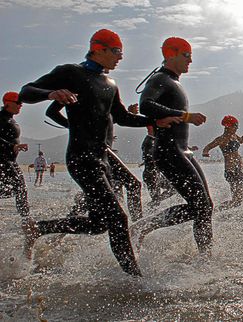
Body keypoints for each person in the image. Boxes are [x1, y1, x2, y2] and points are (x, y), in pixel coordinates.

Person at [19, 29, 179, 276]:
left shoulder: (110, 84)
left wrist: (155, 121)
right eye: (116, 52)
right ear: (98, 49)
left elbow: (122, 116)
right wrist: (50, 93)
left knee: (98, 223)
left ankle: (38, 228)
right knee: (118, 218)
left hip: (103, 156)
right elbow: (26, 92)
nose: (120, 57)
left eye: (121, 53)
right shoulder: (71, 73)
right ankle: (134, 278)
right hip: (82, 158)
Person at [134, 37, 214, 255]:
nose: (190, 60)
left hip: (183, 151)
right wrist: (185, 115)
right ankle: (143, 227)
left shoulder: (174, 82)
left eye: (191, 55)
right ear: (170, 55)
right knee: (201, 206)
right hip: (168, 151)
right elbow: (146, 105)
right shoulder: (160, 78)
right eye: (186, 55)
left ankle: (206, 255)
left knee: (206, 207)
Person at [46, 102, 143, 221]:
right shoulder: (80, 89)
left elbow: (104, 119)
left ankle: (66, 221)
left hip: (104, 151)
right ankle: (138, 226)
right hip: (96, 151)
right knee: (131, 184)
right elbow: (51, 112)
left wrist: (125, 115)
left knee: (100, 193)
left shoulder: (104, 91)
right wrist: (74, 127)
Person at [202, 115, 243, 210]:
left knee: (237, 201)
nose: (237, 128)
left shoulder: (234, 136)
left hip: (238, 171)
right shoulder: (222, 139)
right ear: (228, 126)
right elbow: (208, 146)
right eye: (235, 126)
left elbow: (242, 140)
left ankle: (214, 211)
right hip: (232, 172)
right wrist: (205, 152)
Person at [0, 91, 32, 237]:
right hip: (3, 162)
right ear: (7, 103)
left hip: (9, 161)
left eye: (21, 103)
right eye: (18, 103)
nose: (20, 105)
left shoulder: (10, 119)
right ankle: (27, 220)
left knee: (15, 189)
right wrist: (11, 147)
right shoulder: (1, 118)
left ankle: (26, 219)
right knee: (19, 188)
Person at [141, 125, 176, 207]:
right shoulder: (148, 141)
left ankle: (153, 203)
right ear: (150, 128)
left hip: (156, 175)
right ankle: (149, 211)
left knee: (173, 189)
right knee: (156, 201)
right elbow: (150, 156)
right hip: (150, 176)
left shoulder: (155, 140)